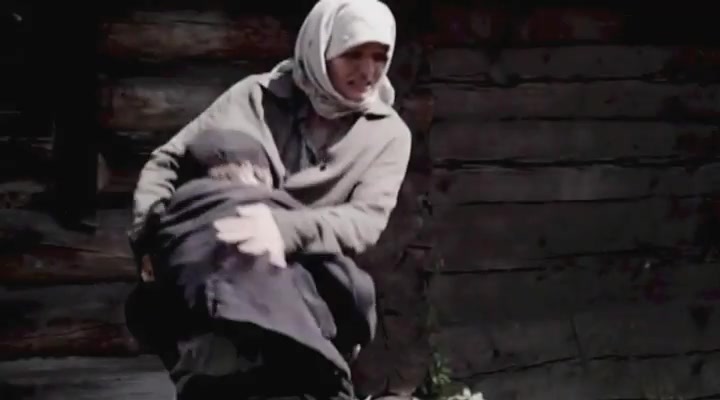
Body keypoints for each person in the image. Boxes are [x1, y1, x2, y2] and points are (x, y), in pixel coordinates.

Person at [128, 0, 411, 397]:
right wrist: (150, 235)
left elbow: (365, 220)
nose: (368, 72)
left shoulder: (388, 133)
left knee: (346, 298)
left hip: (306, 270)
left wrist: (282, 228)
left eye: (379, 57)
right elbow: (168, 161)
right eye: (353, 55)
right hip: (227, 252)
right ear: (321, 48)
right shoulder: (256, 95)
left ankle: (316, 367)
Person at [126, 128, 378, 399]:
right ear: (256, 172)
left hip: (207, 380)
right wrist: (352, 336)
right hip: (290, 366)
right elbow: (353, 288)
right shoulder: (278, 212)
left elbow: (144, 315)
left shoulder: (167, 231)